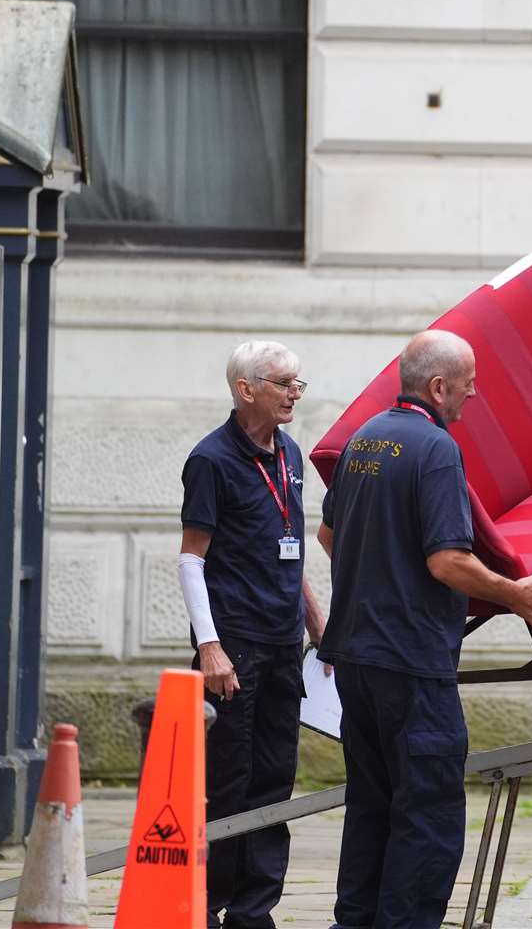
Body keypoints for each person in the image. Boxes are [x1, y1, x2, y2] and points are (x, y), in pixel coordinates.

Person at [316, 329, 532, 929]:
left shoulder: (362, 439)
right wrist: (515, 594)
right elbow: (447, 561)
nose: (473, 396)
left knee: (371, 805)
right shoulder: (436, 449)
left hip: (355, 657)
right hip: (411, 660)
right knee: (427, 814)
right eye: (469, 385)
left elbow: (329, 536)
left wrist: (376, 575)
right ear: (438, 385)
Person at [179, 340, 327, 929]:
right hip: (233, 645)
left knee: (274, 779)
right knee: (226, 782)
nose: (295, 393)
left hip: (283, 643)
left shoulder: (289, 453)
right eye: (283, 383)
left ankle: (253, 910)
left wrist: (321, 629)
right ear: (247, 390)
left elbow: (290, 553)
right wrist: (208, 646)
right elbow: (192, 560)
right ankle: (208, 902)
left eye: (298, 384)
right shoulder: (211, 460)